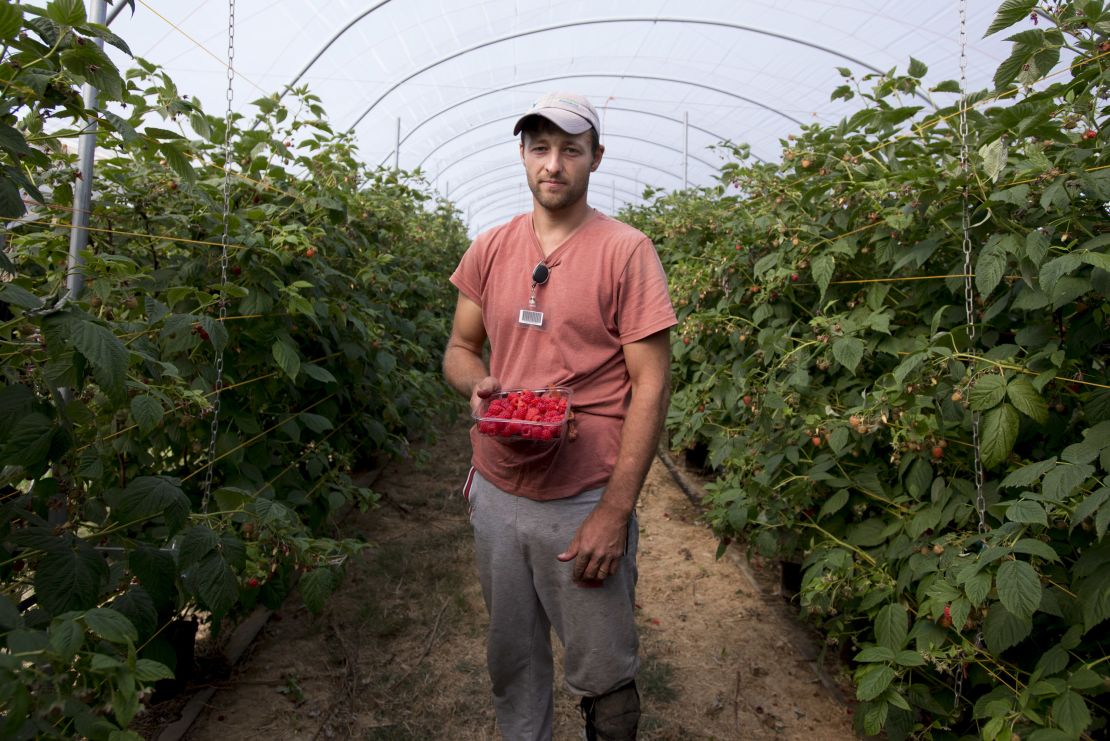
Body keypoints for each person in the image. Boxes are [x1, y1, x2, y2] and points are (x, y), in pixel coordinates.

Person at [442, 91, 676, 741]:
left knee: (603, 672)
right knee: (512, 660)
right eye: (540, 147)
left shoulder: (626, 251)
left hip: (582, 496)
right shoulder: (490, 248)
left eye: (570, 149)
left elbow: (650, 385)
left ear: (595, 158)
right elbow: (460, 348)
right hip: (498, 487)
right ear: (522, 155)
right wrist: (479, 383)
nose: (553, 163)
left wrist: (615, 510)